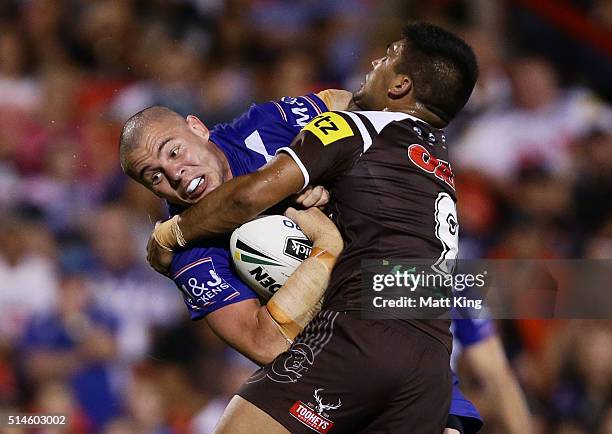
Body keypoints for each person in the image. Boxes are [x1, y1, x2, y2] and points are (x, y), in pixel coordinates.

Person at [143, 22, 478, 433]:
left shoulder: (352, 128)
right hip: (432, 360)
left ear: (400, 86)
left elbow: (245, 198)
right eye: (153, 175)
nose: (374, 63)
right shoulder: (435, 157)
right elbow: (338, 101)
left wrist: (170, 234)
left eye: (387, 58)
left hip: (361, 334)